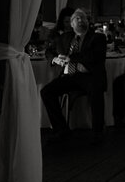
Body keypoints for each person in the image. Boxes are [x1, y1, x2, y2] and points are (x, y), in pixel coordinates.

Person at [40, 8, 107, 141]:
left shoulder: (98, 37)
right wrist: (55, 59)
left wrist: (71, 58)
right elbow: (49, 50)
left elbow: (94, 56)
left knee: (95, 90)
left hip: (89, 76)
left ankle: (97, 132)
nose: (81, 20)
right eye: (77, 18)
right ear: (71, 24)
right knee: (46, 92)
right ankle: (61, 129)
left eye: (84, 18)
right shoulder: (65, 37)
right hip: (69, 77)